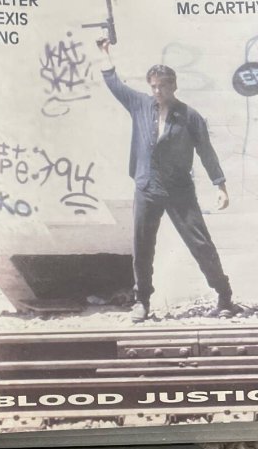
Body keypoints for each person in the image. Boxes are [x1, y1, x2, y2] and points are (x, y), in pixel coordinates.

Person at [98, 41, 240, 322]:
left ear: (173, 86)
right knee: (142, 247)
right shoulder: (140, 105)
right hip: (146, 188)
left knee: (201, 244)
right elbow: (114, 84)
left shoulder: (190, 116)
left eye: (162, 86)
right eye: (153, 86)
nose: (157, 91)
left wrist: (220, 185)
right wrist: (104, 52)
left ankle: (224, 295)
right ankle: (142, 302)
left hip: (179, 192)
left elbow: (206, 151)